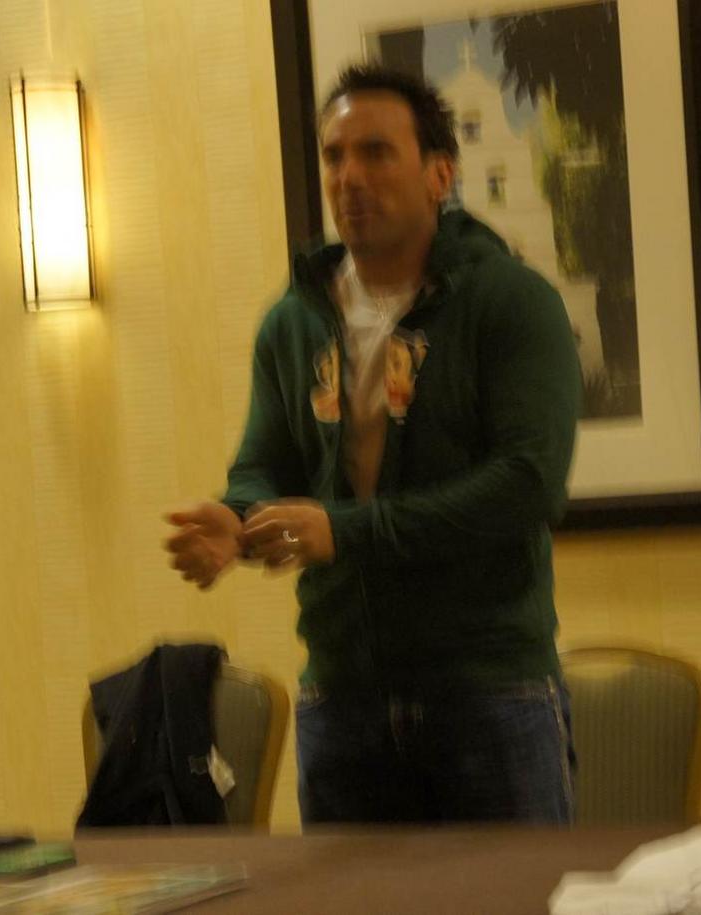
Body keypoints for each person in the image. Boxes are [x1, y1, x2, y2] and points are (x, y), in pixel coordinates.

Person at [163, 63, 582, 825]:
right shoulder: (291, 322)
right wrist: (238, 521)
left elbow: (526, 485)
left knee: (520, 892)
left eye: (376, 152)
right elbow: (262, 467)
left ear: (439, 174)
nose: (349, 175)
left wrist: (342, 531)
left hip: (489, 693)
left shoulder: (511, 302)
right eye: (334, 155)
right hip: (341, 698)